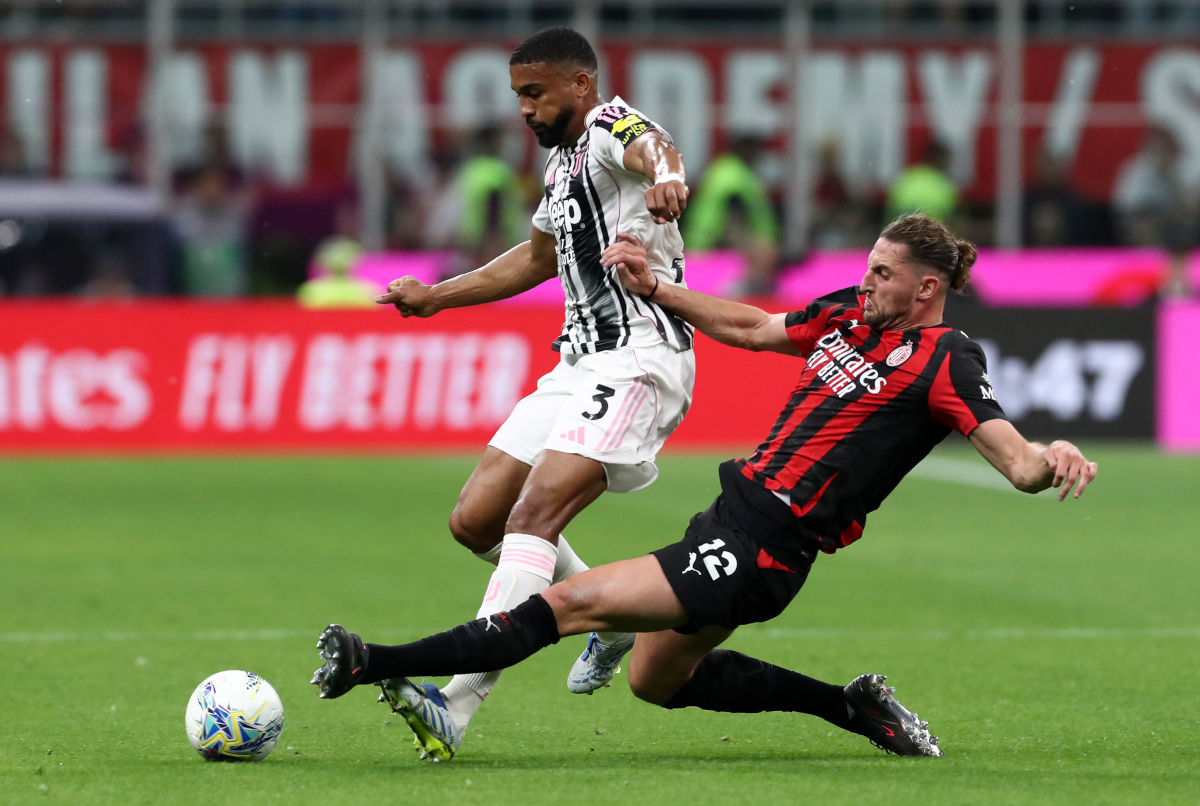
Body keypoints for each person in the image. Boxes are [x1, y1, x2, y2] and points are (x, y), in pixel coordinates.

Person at [311, 213, 1098, 759]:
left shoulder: (946, 361)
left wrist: (1051, 455)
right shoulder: (851, 320)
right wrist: (658, 289)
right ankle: (849, 706)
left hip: (766, 546)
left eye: (883, 275)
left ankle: (374, 665)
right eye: (866, 268)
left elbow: (1016, 462)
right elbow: (754, 328)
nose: (866, 284)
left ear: (927, 289)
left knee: (569, 603)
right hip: (731, 517)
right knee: (657, 681)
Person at [361, 26, 696, 761]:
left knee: (534, 514)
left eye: (534, 93)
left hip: (639, 359)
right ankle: (609, 620)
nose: (524, 110)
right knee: (476, 521)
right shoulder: (564, 164)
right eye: (518, 96)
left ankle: (454, 705)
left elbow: (656, 145)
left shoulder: (611, 127)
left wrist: (669, 173)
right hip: (577, 363)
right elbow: (540, 257)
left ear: (579, 85)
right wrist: (438, 296)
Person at [683, 135, 779, 295]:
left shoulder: (721, 167)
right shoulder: (735, 174)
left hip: (702, 238)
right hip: (715, 241)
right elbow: (733, 210)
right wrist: (758, 242)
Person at [886, 140, 958, 224]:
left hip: (898, 232)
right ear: (940, 159)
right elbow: (951, 219)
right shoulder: (945, 186)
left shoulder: (906, 178)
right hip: (930, 234)